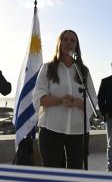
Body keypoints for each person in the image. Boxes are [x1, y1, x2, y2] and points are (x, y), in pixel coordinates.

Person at [33, 30, 97, 169]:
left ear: (76, 46)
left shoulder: (83, 71)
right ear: (59, 43)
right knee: (53, 172)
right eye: (65, 39)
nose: (69, 42)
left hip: (78, 130)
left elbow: (92, 99)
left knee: (76, 171)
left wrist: (76, 102)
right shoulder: (47, 68)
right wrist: (60, 100)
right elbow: (39, 97)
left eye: (72, 40)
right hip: (51, 129)